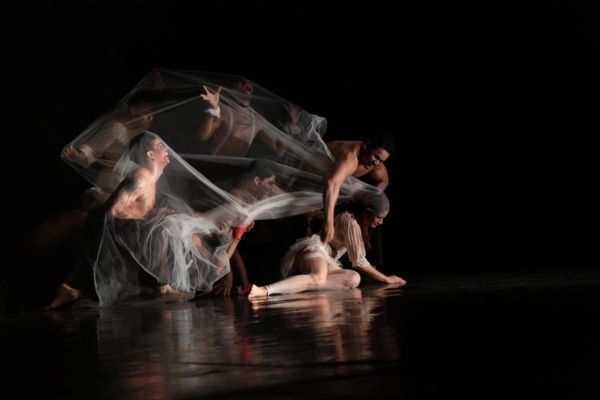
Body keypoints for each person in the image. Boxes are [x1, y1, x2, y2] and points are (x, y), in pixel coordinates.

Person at [45, 132, 245, 309]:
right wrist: (150, 220)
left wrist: (158, 215)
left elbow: (139, 210)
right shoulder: (140, 179)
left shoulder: (150, 179)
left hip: (130, 233)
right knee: (166, 226)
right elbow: (113, 211)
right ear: (150, 155)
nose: (166, 149)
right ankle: (163, 285)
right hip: (116, 233)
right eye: (160, 146)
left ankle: (75, 293)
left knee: (133, 291)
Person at [248, 189, 405, 298]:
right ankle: (264, 290)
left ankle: (301, 285)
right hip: (314, 251)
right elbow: (359, 261)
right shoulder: (349, 220)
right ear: (367, 213)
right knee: (319, 278)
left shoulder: (355, 222)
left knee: (354, 278)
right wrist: (386, 278)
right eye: (379, 217)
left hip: (327, 260)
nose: (380, 222)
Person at [321, 132, 394, 244]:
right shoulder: (350, 157)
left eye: (381, 161)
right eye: (376, 156)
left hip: (329, 182)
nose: (376, 162)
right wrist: (328, 222)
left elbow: (384, 181)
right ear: (366, 145)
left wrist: (367, 200)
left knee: (373, 215)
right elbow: (332, 183)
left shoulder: (376, 164)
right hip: (306, 170)